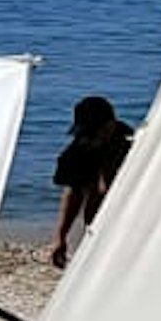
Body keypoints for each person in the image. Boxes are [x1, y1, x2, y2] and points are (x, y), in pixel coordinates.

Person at [49, 93, 132, 269]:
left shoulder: (133, 145)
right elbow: (73, 191)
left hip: (129, 223)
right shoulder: (79, 149)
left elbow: (106, 188)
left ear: (110, 125)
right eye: (86, 133)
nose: (89, 139)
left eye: (94, 133)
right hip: (95, 226)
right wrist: (60, 236)